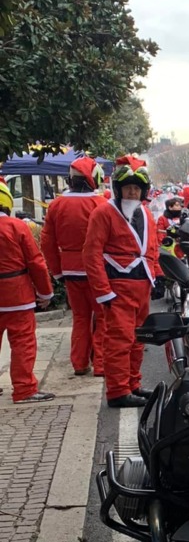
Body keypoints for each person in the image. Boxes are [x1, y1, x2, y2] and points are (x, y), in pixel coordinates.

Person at [83, 158, 160, 409]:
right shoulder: (103, 213)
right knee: (119, 341)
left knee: (139, 339)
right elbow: (91, 253)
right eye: (127, 187)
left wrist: (156, 276)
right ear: (118, 188)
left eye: (137, 188)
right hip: (118, 286)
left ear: (144, 191)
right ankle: (117, 391)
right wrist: (104, 292)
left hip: (142, 286)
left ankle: (133, 385)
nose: (132, 191)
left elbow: (152, 248)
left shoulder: (146, 213)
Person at [40, 156, 106, 376]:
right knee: (103, 317)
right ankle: (102, 364)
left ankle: (79, 363)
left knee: (80, 318)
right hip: (97, 269)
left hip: (69, 269)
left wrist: (57, 271)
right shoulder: (100, 204)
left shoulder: (57, 204)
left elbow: (47, 242)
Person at [0, 180, 55, 402]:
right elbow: (36, 262)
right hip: (17, 295)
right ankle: (24, 389)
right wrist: (45, 293)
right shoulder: (16, 226)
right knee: (23, 342)